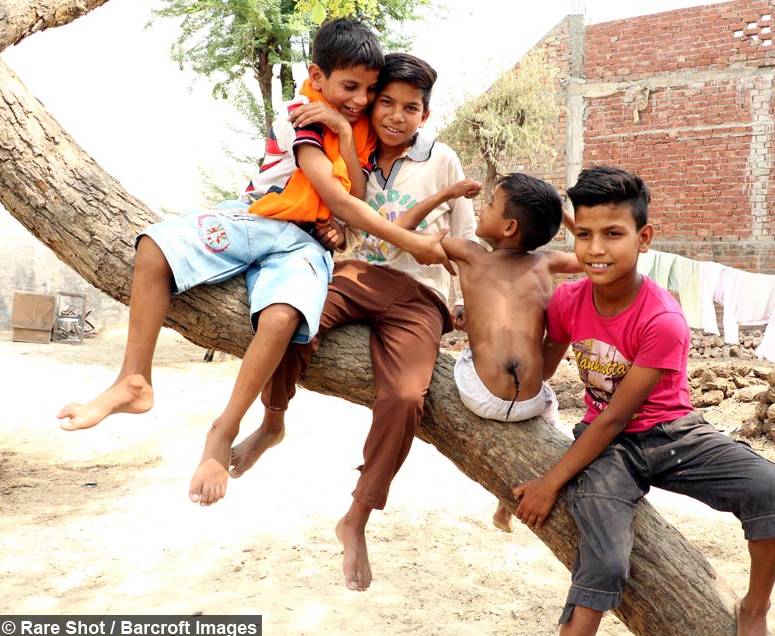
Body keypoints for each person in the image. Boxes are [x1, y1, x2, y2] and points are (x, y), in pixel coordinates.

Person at [56, 20, 450, 508]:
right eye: (351, 87)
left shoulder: (358, 126)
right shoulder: (301, 114)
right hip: (256, 220)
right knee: (155, 247)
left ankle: (225, 427)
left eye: (370, 90)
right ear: (317, 75)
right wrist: (412, 242)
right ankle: (134, 379)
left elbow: (350, 196)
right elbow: (337, 197)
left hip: (304, 246)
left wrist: (347, 132)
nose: (360, 99)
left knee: (283, 316)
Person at [227, 52, 480, 592]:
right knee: (296, 316)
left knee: (406, 397)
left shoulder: (444, 161)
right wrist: (332, 232)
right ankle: (273, 420)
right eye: (385, 101)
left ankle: (357, 516)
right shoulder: (354, 144)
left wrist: (469, 307)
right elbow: (337, 210)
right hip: (357, 274)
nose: (394, 115)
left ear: (425, 115)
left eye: (409, 108)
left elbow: (468, 241)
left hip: (421, 296)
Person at [512, 166, 775, 636]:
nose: (595, 249)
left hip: (673, 433)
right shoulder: (566, 302)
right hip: (609, 450)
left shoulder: (663, 318)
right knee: (602, 563)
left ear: (644, 238)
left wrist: (550, 482)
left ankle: (756, 607)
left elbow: (619, 415)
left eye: (613, 234)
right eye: (583, 235)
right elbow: (539, 372)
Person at [440, 173, 581, 533]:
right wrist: (560, 212)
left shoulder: (467, 253)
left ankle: (504, 502)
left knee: (475, 343)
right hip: (532, 401)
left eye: (489, 205)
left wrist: (447, 194)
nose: (481, 209)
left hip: (478, 394)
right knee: (551, 405)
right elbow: (592, 252)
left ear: (509, 226)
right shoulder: (547, 262)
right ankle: (506, 504)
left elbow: (399, 233)